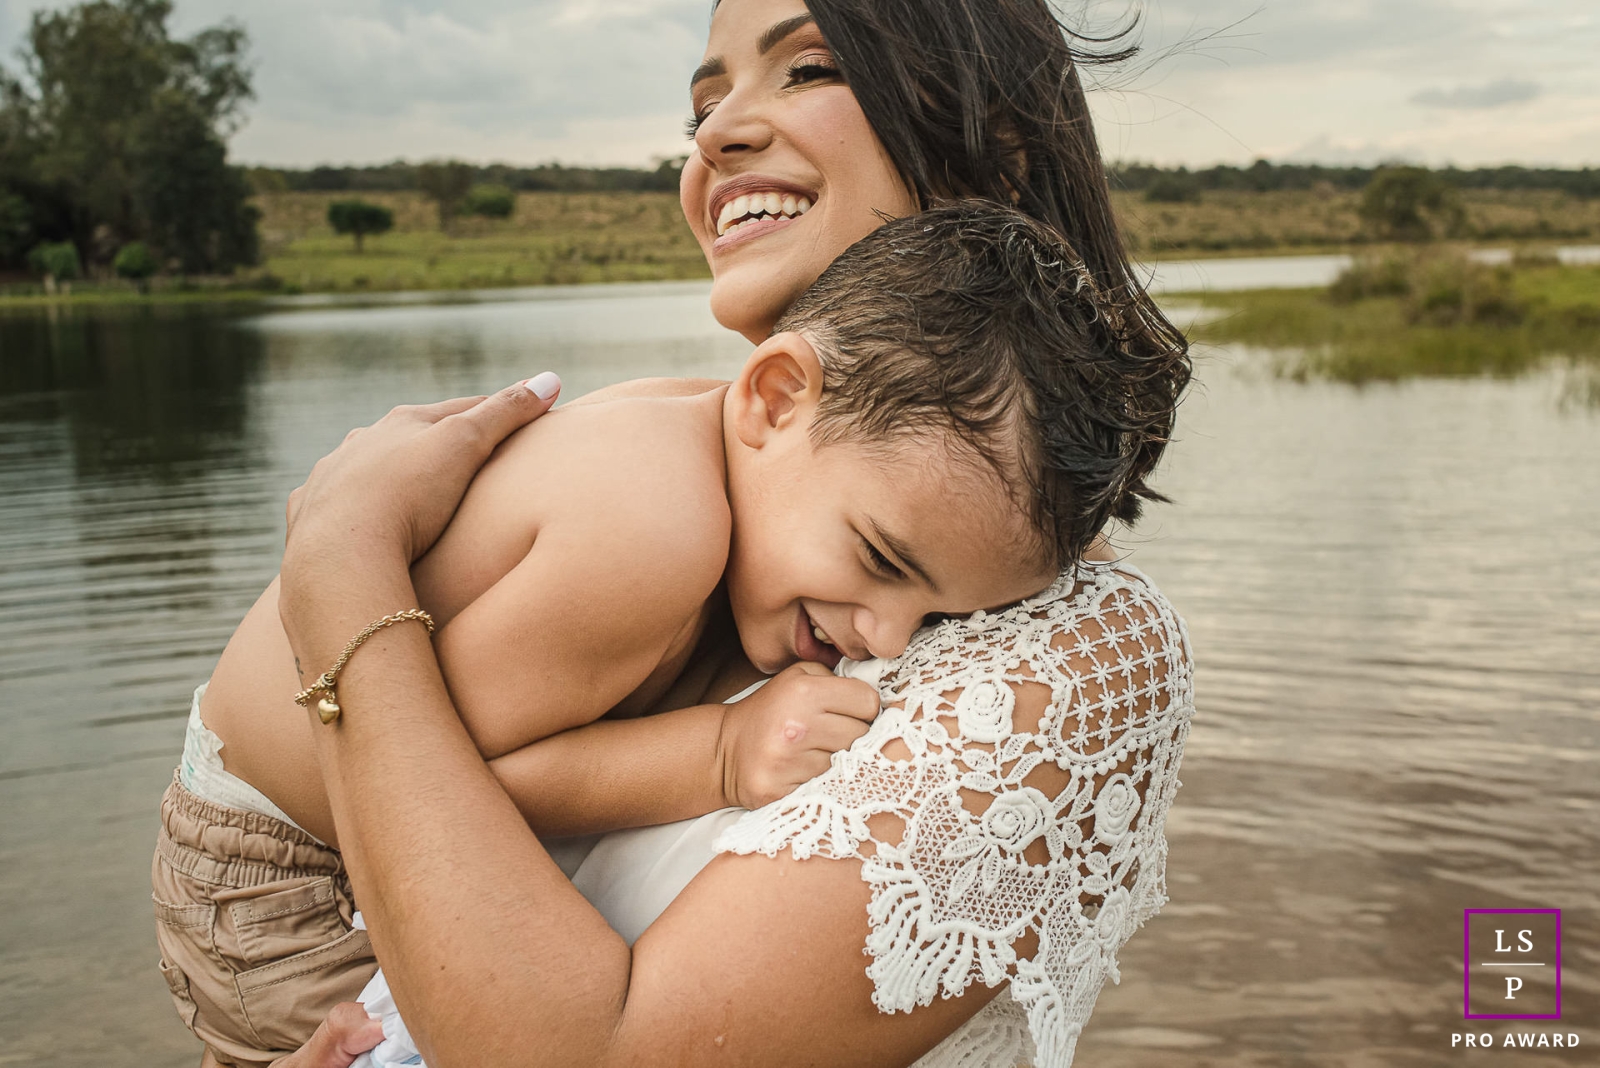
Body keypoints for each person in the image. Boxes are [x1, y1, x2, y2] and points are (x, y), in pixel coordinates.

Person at [270, 1, 1195, 1066]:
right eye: (704, 103)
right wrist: (341, 554)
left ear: (996, 143)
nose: (715, 136)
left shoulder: (1067, 646)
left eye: (807, 70)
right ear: (774, 398)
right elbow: (394, 785)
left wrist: (342, 566)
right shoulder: (672, 497)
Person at [151, 204, 1135, 1067]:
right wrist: (719, 753)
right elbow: (440, 780)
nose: (881, 634)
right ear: (775, 396)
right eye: (880, 559)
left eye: (941, 615)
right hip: (290, 885)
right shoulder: (653, 530)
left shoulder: (722, 449)